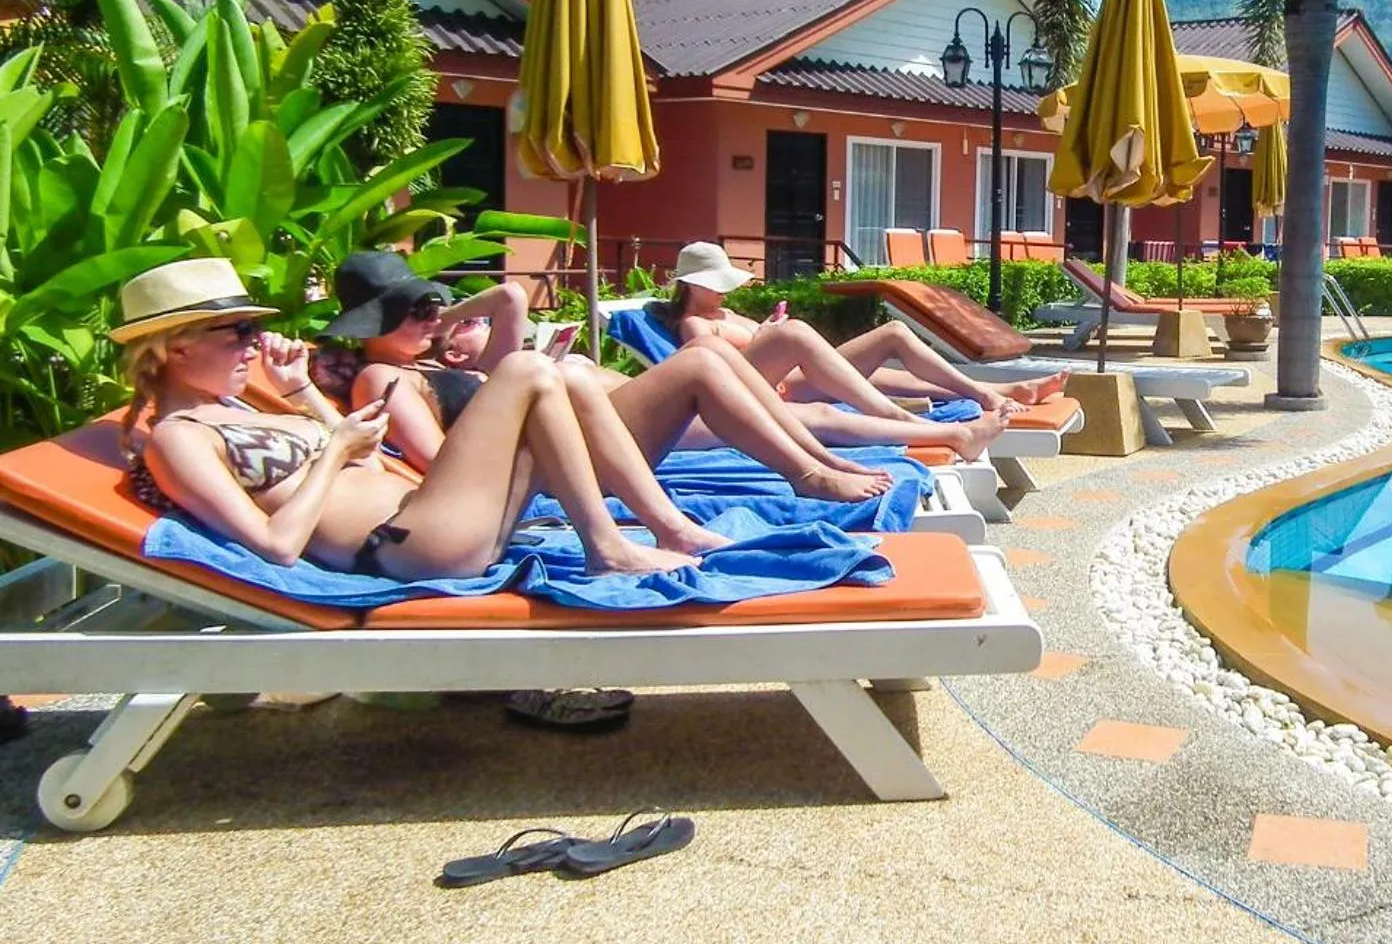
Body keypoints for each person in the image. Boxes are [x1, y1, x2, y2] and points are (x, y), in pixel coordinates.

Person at [113, 258, 706, 582]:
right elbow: (277, 545)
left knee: (561, 376)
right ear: (177, 348)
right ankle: (609, 546)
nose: (251, 346)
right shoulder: (178, 438)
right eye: (237, 332)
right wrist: (331, 452)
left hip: (430, 516)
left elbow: (365, 458)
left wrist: (302, 394)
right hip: (402, 547)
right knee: (525, 371)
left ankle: (662, 529)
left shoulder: (238, 410)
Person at [319, 253, 919, 503]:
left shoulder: (425, 364)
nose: (432, 321)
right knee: (701, 362)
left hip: (567, 440)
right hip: (552, 466)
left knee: (708, 362)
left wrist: (432, 317)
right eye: (414, 312)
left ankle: (819, 464)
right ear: (376, 322)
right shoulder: (380, 379)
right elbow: (445, 464)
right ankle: (812, 471)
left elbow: (507, 296)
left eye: (431, 310)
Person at [652, 242, 1066, 415]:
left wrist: (766, 332)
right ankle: (984, 395)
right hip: (780, 391)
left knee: (886, 367)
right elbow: (717, 374)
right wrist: (771, 339)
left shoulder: (724, 316)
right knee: (894, 336)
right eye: (716, 284)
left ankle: (1006, 390)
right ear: (689, 285)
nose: (724, 292)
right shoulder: (694, 327)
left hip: (792, 375)